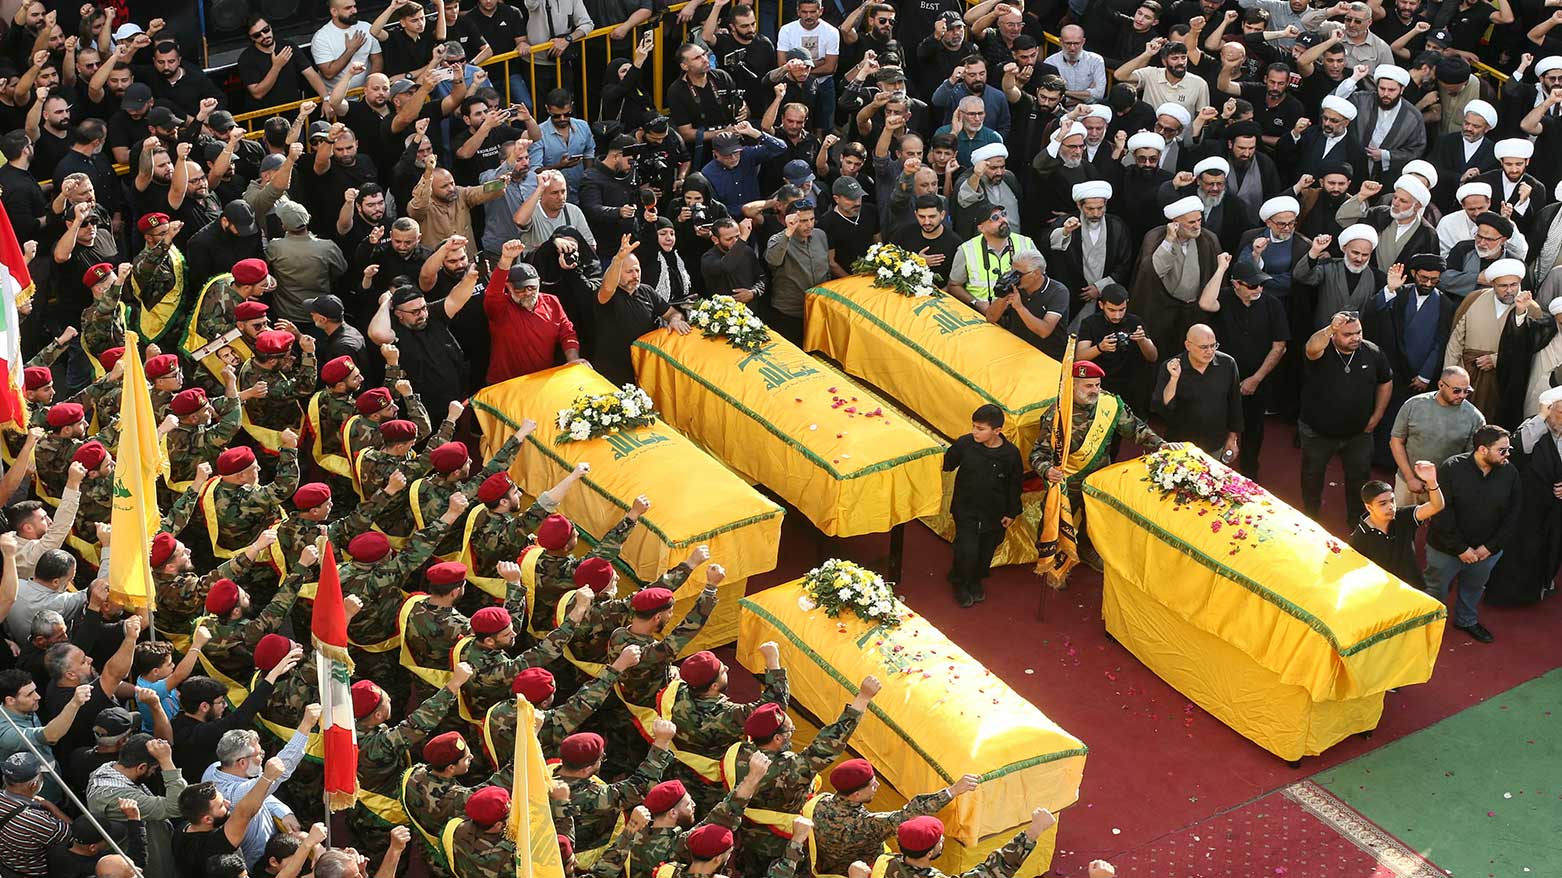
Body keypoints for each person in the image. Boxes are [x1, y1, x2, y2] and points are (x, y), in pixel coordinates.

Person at [1031, 361, 1168, 573]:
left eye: (1097, 385)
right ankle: (1053, 561)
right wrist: (1047, 470)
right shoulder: (1057, 415)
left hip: (1099, 478)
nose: (1095, 390)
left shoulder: (1109, 405)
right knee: (1056, 524)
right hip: (1067, 483)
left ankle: (1087, 548)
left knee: (1096, 519)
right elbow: (1038, 454)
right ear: (1072, 386)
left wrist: (1160, 445)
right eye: (1088, 386)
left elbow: (1135, 429)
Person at [1424, 424, 1522, 643]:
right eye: (1502, 450)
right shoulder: (1452, 468)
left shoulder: (1510, 473)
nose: (1507, 455)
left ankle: (1466, 620)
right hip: (1445, 549)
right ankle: (1428, 624)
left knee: (1474, 587)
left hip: (1486, 552)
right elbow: (1441, 511)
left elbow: (1513, 513)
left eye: (1509, 450)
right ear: (1482, 450)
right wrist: (1461, 548)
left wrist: (1490, 547)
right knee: (1435, 587)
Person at [1300, 312, 1395, 528]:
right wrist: (1329, 328)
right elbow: (1312, 348)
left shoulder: (1373, 352)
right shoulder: (1323, 350)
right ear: (1333, 335)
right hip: (1317, 433)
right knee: (1312, 478)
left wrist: (1377, 415)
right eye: (1347, 334)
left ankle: (1356, 524)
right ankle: (1309, 520)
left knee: (1359, 481)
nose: (1355, 338)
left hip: (1358, 434)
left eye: (1358, 332)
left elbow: (1385, 381)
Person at [1484, 389, 1562, 605]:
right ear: (1548, 409)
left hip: (1555, 510)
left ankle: (1544, 584)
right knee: (1522, 551)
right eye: (1561, 412)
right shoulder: (1534, 426)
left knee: (1552, 548)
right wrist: (1541, 418)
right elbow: (1518, 448)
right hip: (1529, 505)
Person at [942, 404, 1022, 608]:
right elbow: (946, 463)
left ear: (997, 431)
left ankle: (976, 580)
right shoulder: (965, 444)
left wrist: (1011, 512)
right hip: (966, 509)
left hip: (994, 514)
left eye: (980, 429)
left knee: (986, 552)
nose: (974, 432)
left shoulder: (1011, 454)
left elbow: (1015, 485)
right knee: (966, 550)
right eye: (974, 427)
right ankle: (959, 582)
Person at [1388, 367, 1486, 505]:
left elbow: (1471, 459)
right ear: (1441, 385)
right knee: (1400, 525)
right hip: (1408, 482)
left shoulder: (1475, 418)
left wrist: (1442, 485)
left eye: (1467, 391)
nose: (1462, 395)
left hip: (1445, 488)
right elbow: (1396, 441)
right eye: (1457, 390)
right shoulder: (1413, 405)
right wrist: (1410, 478)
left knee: (1441, 527)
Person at [1153, 323, 1244, 460]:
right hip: (1180, 445)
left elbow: (1235, 403)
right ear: (1188, 345)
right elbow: (1163, 406)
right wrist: (1174, 379)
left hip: (1215, 444)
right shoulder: (1171, 366)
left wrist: (1232, 438)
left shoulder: (1228, 364)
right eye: (1203, 347)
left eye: (1213, 345)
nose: (1209, 351)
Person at [1348, 466, 1444, 589]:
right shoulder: (1358, 539)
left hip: (1413, 587)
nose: (1391, 507)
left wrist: (1432, 481)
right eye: (1383, 503)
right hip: (1384, 595)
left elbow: (1436, 506)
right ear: (1369, 507)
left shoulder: (1404, 516)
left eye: (1392, 500)